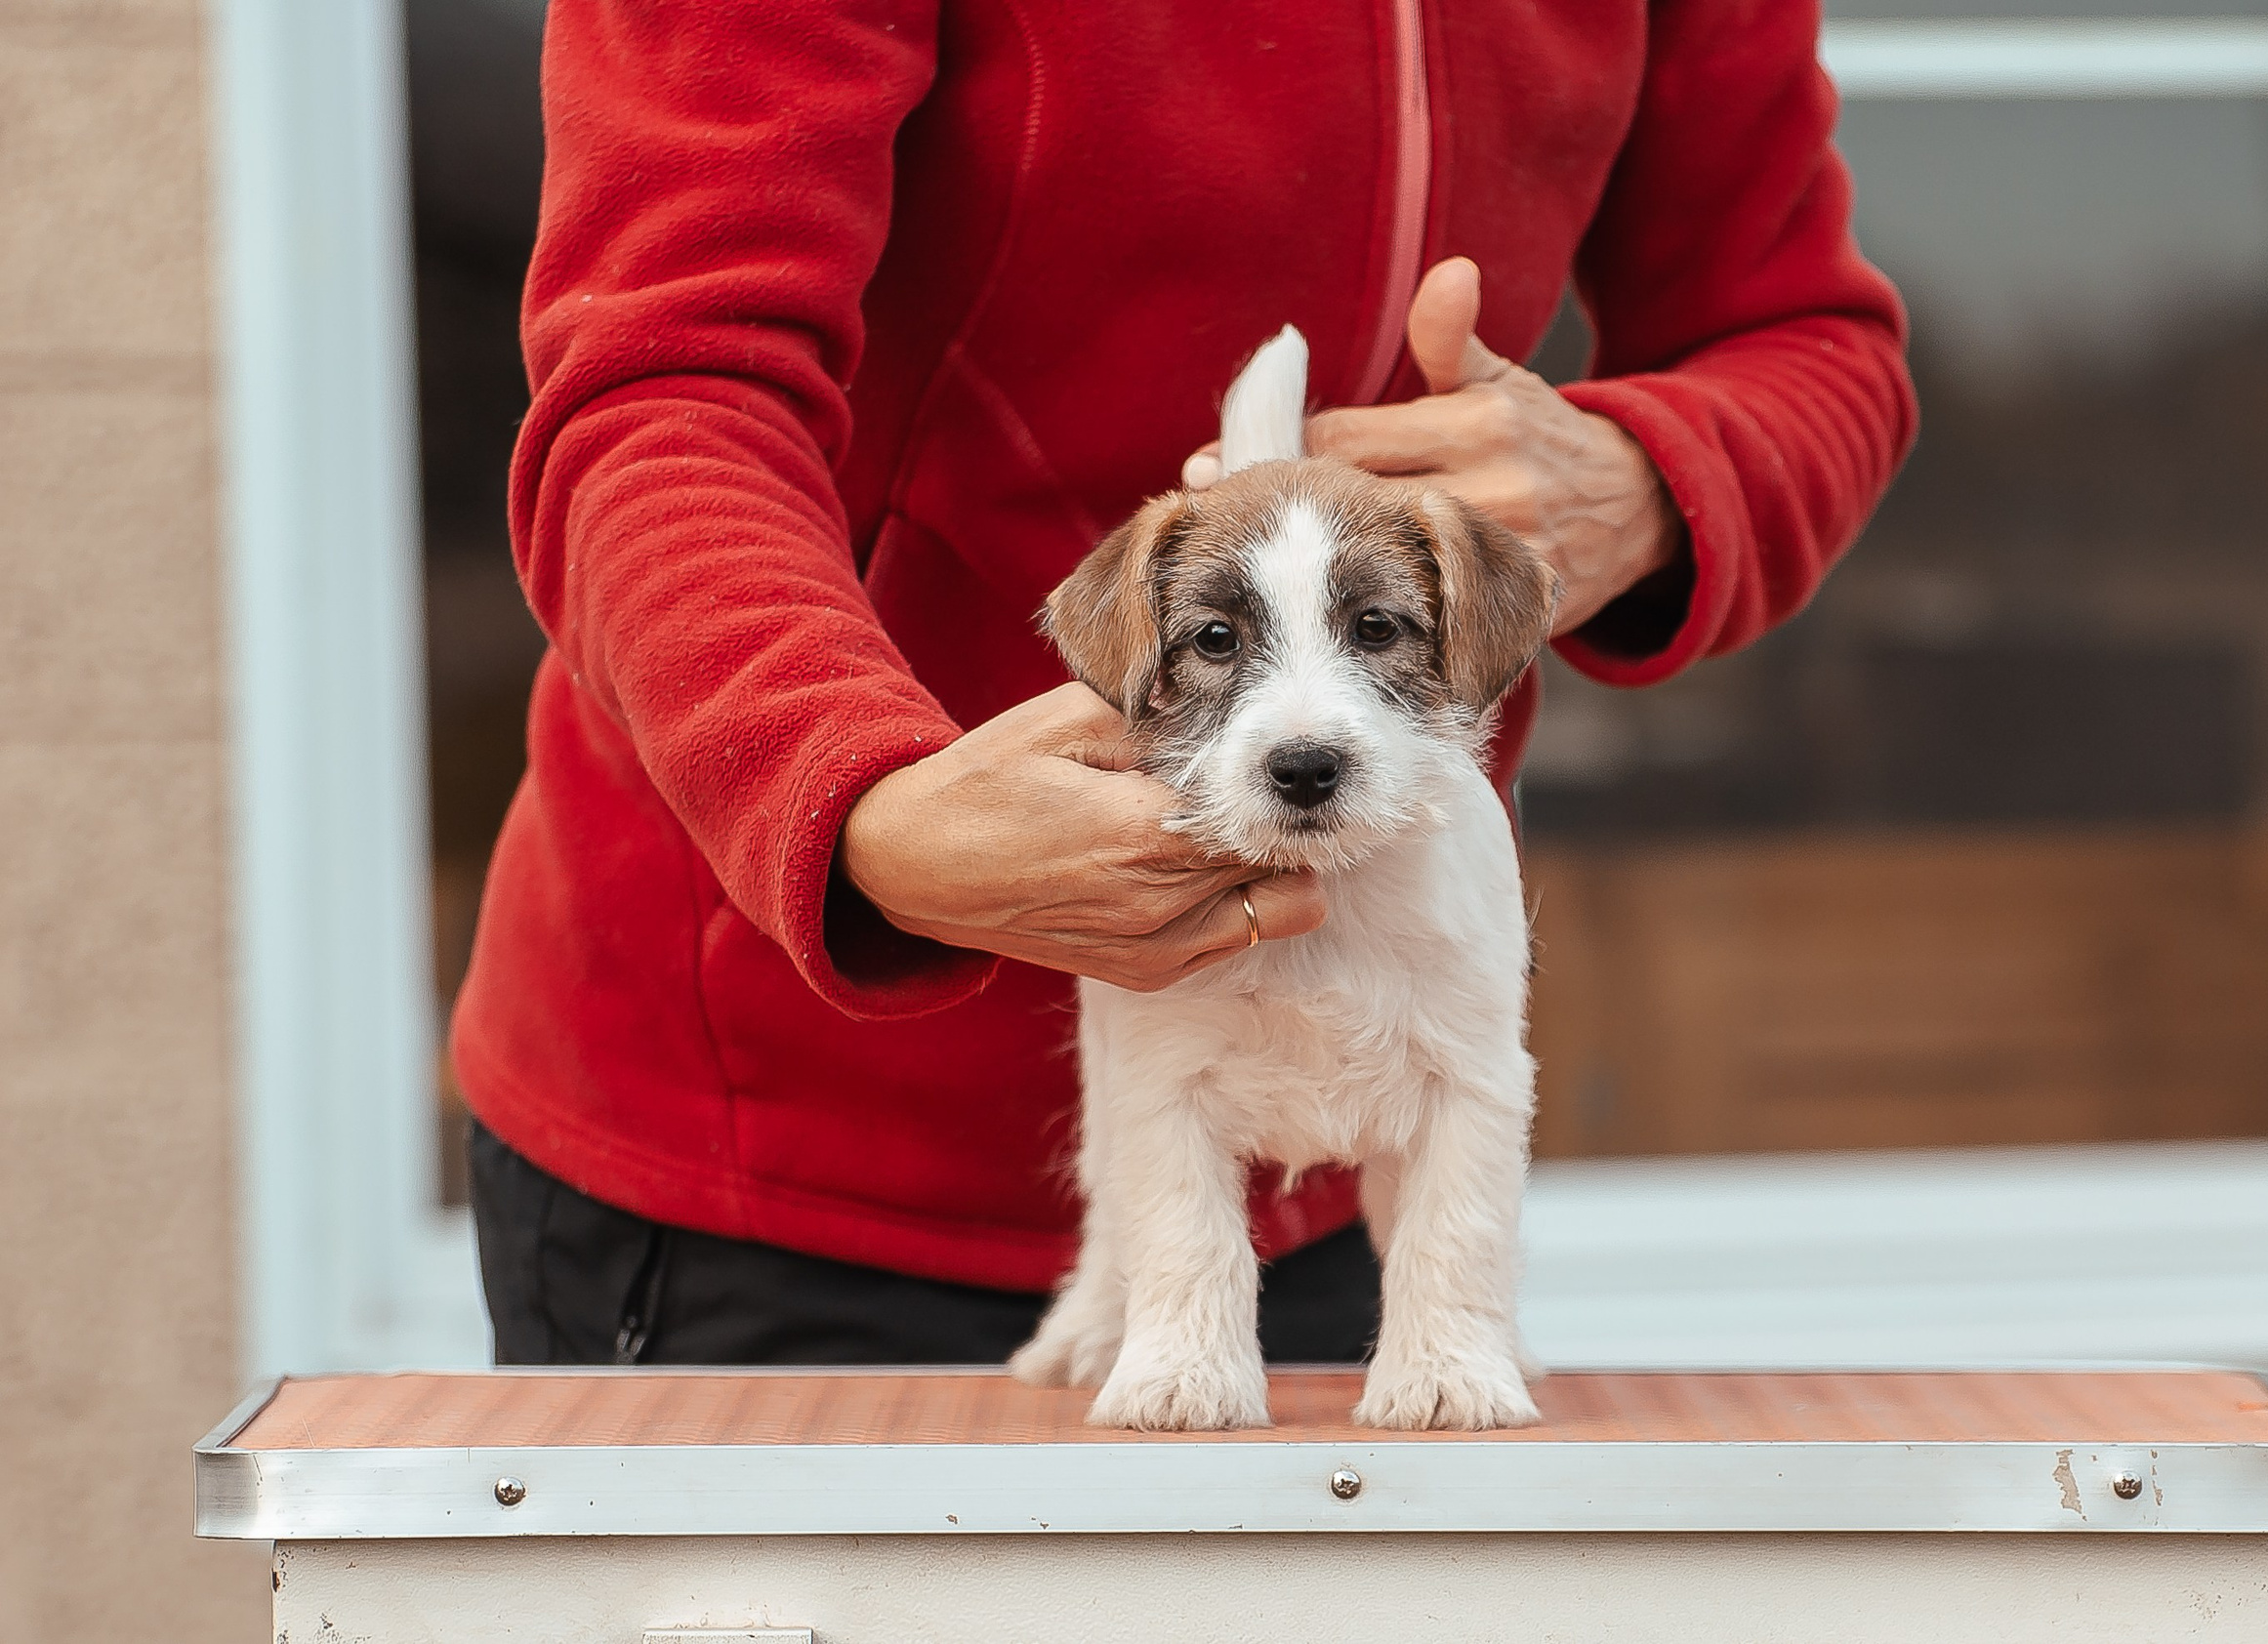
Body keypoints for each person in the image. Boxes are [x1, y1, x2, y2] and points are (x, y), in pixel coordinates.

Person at [457, 0, 1917, 1366]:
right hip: (775, 1162)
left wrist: (1651, 481)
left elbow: (1807, 338)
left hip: (1342, 1148)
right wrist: (856, 802)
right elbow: (662, 385)